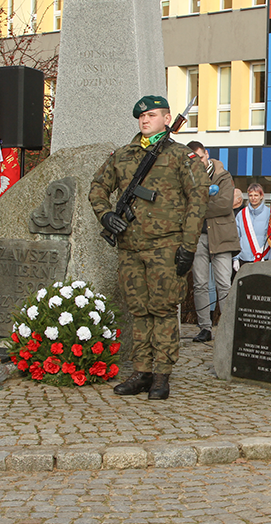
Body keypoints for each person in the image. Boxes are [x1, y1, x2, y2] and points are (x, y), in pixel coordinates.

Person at [89, 95, 209, 400]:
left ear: (167, 119)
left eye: (153, 115)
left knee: (164, 310)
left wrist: (189, 246)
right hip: (130, 248)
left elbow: (198, 200)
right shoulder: (123, 155)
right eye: (142, 117)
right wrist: (107, 215)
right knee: (139, 311)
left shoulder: (182, 157)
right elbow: (98, 188)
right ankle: (141, 371)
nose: (146, 121)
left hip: (166, 247)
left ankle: (161, 375)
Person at [187, 141, 240, 343]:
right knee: (200, 284)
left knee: (223, 284)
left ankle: (228, 328)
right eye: (194, 159)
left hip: (222, 236)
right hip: (198, 236)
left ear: (206, 154)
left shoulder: (223, 176)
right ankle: (205, 328)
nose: (198, 162)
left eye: (200, 157)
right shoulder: (189, 177)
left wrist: (196, 207)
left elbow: (225, 205)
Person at [234, 183, 271, 273]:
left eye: (256, 195)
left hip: (263, 258)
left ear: (261, 196)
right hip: (244, 258)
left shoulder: (270, 214)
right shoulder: (241, 214)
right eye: (250, 195)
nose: (253, 198)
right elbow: (236, 237)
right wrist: (235, 258)